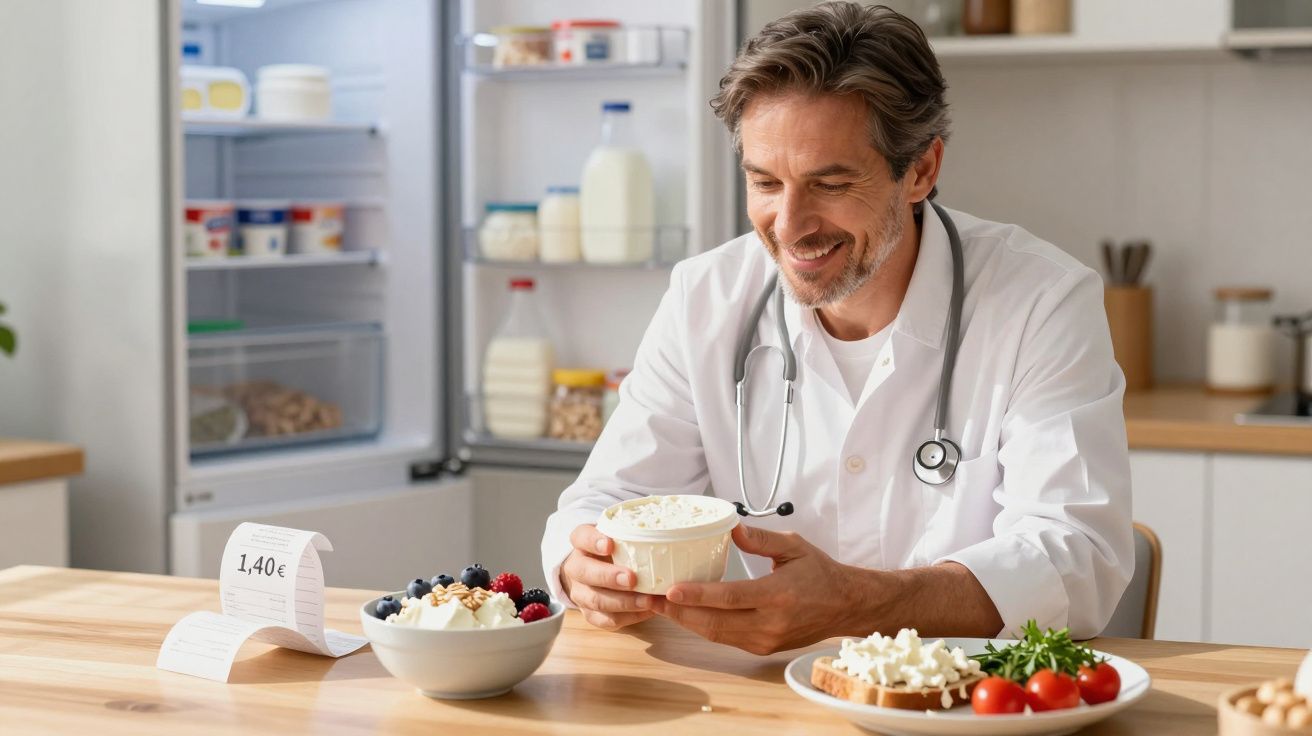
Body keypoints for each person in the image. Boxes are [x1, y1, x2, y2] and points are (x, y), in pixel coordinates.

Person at [540, 1, 1132, 655]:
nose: (790, 225)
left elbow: (1078, 556)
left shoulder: (1041, 301)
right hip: (768, 693)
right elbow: (607, 498)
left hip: (966, 694)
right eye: (765, 182)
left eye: (830, 184)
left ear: (921, 170)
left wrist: (853, 603)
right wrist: (585, 566)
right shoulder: (705, 298)